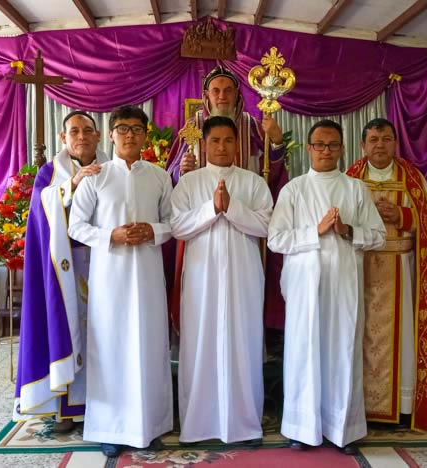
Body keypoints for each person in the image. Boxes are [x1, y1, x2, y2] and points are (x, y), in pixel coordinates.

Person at [346, 118, 427, 438]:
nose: (380, 145)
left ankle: (403, 407)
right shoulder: (350, 177)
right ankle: (360, 407)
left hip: (401, 270)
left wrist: (402, 215)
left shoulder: (412, 179)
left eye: (386, 139)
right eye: (373, 139)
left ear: (395, 143)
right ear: (363, 145)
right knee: (359, 337)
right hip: (359, 268)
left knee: (402, 338)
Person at [268, 120, 385, 454]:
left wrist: (348, 231)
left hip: (344, 284)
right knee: (304, 352)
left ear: (342, 149)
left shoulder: (355, 189)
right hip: (304, 286)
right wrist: (315, 231)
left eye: (333, 145)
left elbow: (378, 236)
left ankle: (344, 429)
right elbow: (276, 239)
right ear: (309, 148)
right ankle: (301, 428)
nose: (326, 151)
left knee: (343, 351)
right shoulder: (294, 190)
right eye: (319, 144)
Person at [68, 105, 173, 457]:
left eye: (137, 129)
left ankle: (150, 426)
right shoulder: (95, 176)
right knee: (110, 348)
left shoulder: (159, 176)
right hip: (109, 275)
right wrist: (110, 235)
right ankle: (110, 428)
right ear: (111, 135)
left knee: (149, 346)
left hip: (148, 275)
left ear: (145, 135)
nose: (130, 135)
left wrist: (153, 231)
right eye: (123, 129)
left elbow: (173, 222)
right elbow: (76, 226)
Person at [171, 116, 273, 445]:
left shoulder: (253, 182)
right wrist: (211, 208)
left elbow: (266, 226)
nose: (221, 146)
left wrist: (232, 207)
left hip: (244, 276)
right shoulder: (189, 183)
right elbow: (177, 227)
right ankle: (199, 424)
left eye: (228, 140)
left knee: (243, 342)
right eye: (215, 140)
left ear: (237, 143)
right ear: (204, 144)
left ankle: (245, 423)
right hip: (201, 277)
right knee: (201, 343)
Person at [166, 65, 289, 336]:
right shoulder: (193, 126)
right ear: (206, 95)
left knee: (242, 312)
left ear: (237, 95)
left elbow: (272, 172)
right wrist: (181, 170)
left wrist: (277, 142)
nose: (222, 96)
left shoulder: (252, 124)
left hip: (246, 217)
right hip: (200, 230)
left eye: (228, 91)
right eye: (216, 91)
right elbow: (172, 174)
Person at [13, 111, 107, 432]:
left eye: (87, 130)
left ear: (98, 136)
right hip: (66, 268)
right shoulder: (50, 172)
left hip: (105, 261)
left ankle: (106, 405)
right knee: (67, 328)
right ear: (63, 137)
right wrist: (72, 184)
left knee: (104, 332)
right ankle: (66, 410)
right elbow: (41, 209)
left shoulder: (111, 167)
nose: (81, 136)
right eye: (74, 131)